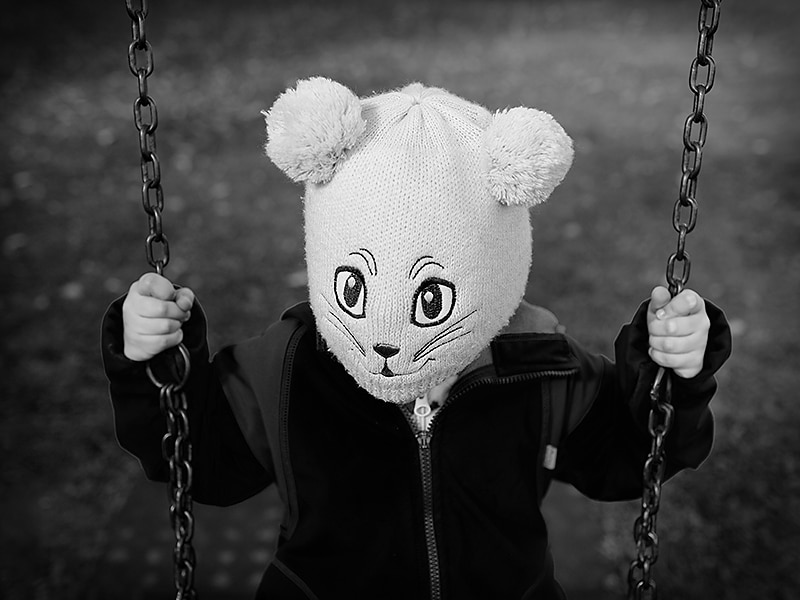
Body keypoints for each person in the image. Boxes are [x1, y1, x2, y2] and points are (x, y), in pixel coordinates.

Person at [102, 78, 731, 600]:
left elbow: (629, 455)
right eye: (357, 289)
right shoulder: (289, 367)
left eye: (429, 300)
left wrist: (669, 370)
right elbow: (201, 461)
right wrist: (154, 359)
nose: (385, 337)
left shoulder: (537, 364)